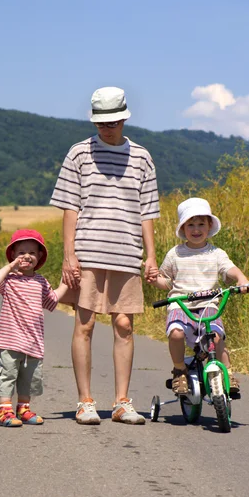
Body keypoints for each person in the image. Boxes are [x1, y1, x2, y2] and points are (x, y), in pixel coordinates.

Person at [50, 86, 160, 425]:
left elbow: (147, 212)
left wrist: (151, 257)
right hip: (88, 252)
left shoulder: (142, 157)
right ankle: (85, 402)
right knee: (84, 324)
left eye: (112, 121)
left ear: (124, 117)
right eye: (101, 122)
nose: (106, 128)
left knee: (125, 325)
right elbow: (70, 206)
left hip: (126, 253)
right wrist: (69, 255)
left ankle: (122, 402)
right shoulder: (79, 153)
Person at [149, 197, 249, 395]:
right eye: (190, 225)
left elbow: (229, 269)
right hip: (180, 304)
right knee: (176, 333)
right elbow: (166, 281)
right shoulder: (175, 254)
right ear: (183, 229)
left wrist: (241, 279)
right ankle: (179, 370)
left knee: (215, 336)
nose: (196, 229)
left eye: (201, 224)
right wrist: (155, 280)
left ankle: (227, 372)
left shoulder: (216, 253)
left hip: (208, 305)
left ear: (209, 226)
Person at [0, 229, 68, 427]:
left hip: (33, 341)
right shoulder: (9, 280)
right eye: (21, 252)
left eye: (32, 252)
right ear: (13, 255)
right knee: (7, 374)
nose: (27, 257)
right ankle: (4, 411)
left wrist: (67, 281)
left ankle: (23, 408)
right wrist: (11, 267)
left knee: (29, 378)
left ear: (39, 256)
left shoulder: (40, 281)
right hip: (10, 339)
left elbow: (52, 301)